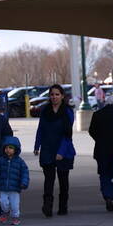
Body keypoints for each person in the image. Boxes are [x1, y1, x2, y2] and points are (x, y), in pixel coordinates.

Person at [34, 84, 75, 217]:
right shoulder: (45, 110)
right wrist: (37, 145)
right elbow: (40, 129)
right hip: (47, 149)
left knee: (63, 180)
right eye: (52, 94)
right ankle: (47, 206)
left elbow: (67, 134)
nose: (54, 97)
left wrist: (61, 152)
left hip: (64, 149)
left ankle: (63, 206)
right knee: (49, 179)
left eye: (57, 94)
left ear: (62, 96)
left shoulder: (67, 112)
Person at [88, 92, 113, 212]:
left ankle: (108, 196)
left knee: (104, 174)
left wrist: (99, 140)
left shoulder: (97, 114)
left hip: (101, 150)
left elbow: (92, 131)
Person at [0, 135, 30, 225]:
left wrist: (24, 182)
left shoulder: (20, 162)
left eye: (11, 148)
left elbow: (25, 172)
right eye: (6, 148)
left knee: (15, 205)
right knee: (3, 202)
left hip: (15, 188)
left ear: (16, 149)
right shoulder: (1, 160)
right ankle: (5, 212)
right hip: (3, 187)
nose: (8, 150)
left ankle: (15, 216)